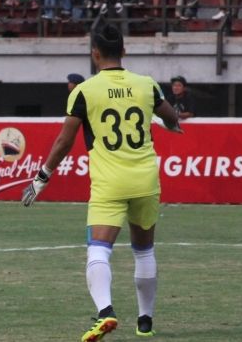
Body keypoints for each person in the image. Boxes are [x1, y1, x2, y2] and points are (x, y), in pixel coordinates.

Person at [21, 24, 182, 341]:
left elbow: (64, 142)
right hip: (145, 178)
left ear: (94, 53)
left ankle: (106, 312)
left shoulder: (85, 91)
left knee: (99, 249)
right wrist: (171, 124)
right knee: (144, 250)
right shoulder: (146, 85)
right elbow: (170, 115)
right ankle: (145, 322)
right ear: (124, 51)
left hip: (110, 183)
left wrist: (42, 178)